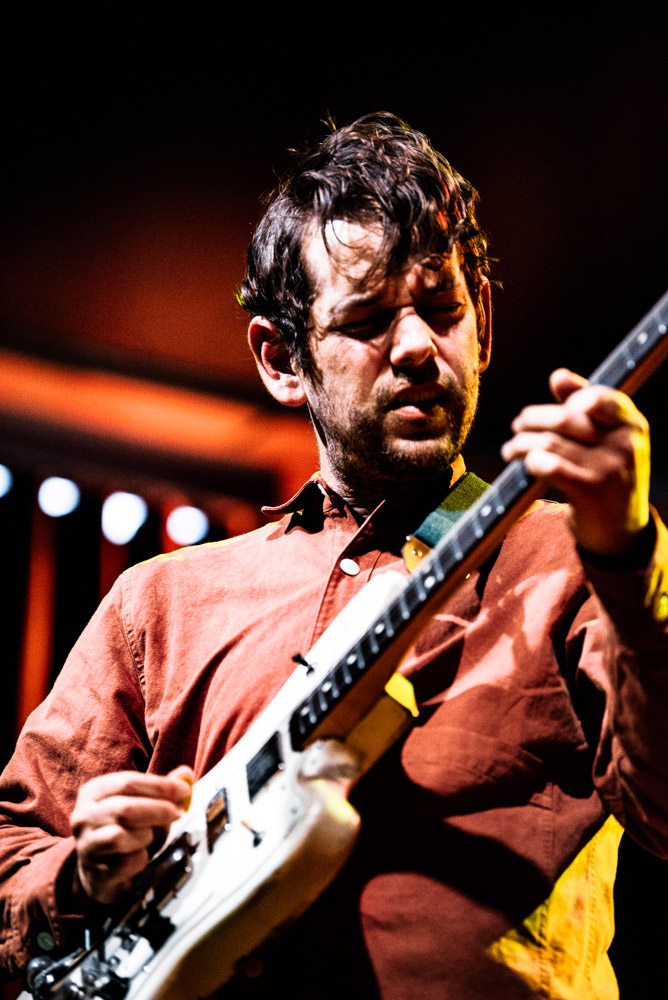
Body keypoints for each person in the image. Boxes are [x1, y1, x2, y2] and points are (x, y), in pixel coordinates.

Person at [1, 112, 667, 1000]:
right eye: (368, 320)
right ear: (282, 359)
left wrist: (628, 555)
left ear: (484, 320)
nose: (421, 348)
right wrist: (84, 875)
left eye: (441, 306)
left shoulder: (582, 557)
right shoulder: (157, 604)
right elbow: (14, 859)